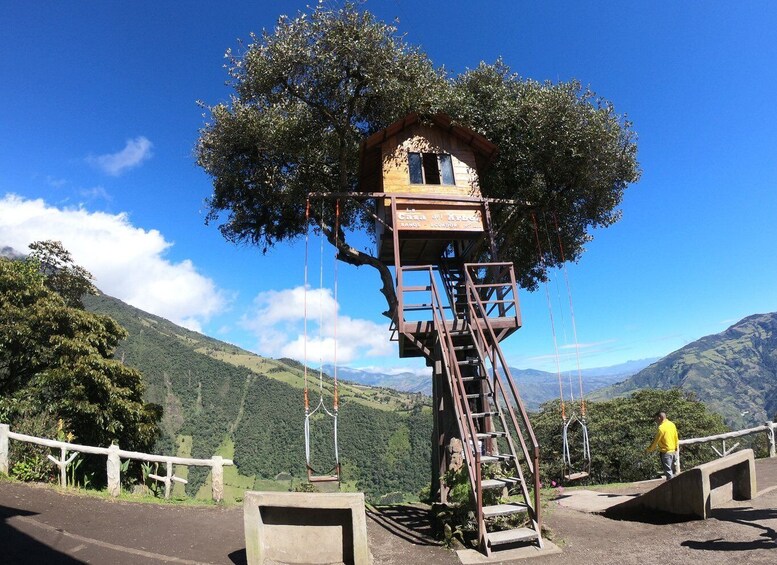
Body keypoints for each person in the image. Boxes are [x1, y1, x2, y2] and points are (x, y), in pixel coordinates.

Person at [646, 411, 679, 479]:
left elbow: (655, 441)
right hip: (673, 451)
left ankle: (672, 487)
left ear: (660, 418)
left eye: (656, 419)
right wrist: (676, 447)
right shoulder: (672, 424)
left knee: (668, 472)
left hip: (666, 452)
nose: (656, 421)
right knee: (673, 471)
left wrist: (649, 450)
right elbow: (676, 437)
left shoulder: (661, 428)